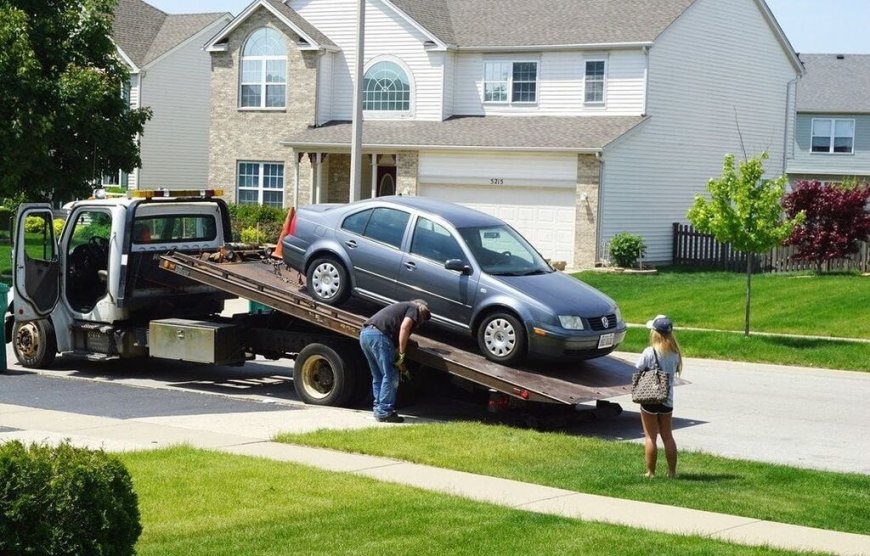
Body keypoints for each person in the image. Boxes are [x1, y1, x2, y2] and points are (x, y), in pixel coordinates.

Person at [359, 299, 430, 423]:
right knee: (391, 376)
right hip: (379, 336)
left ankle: (378, 409)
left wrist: (403, 368)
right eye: (422, 318)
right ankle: (385, 412)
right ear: (421, 310)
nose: (420, 322)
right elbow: (405, 327)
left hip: (365, 334)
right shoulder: (413, 307)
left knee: (378, 375)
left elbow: (395, 353)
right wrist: (403, 353)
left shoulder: (397, 313)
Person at [635, 314, 683, 478]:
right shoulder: (675, 353)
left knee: (650, 436)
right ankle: (672, 472)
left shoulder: (649, 352)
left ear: (654, 333)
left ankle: (651, 472)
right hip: (667, 398)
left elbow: (639, 367)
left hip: (650, 397)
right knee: (667, 436)